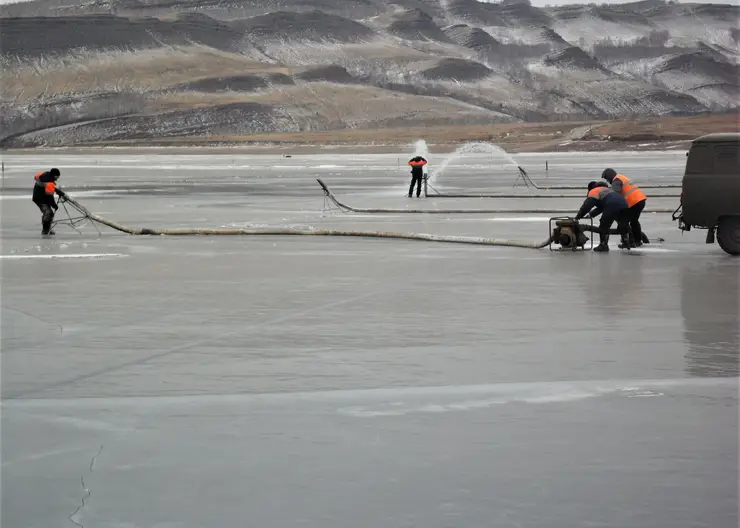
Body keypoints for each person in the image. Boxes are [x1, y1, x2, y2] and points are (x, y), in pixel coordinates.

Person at [574, 181, 631, 252]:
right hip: (624, 203)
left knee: (604, 224)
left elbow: (586, 206)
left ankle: (603, 245)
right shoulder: (608, 190)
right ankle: (626, 242)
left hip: (612, 204)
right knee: (622, 223)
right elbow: (601, 207)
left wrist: (578, 216)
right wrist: (591, 214)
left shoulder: (594, 191)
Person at [601, 168, 647, 247]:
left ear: (609, 176)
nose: (607, 181)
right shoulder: (621, 177)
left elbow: (615, 194)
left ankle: (628, 242)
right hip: (640, 200)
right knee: (634, 221)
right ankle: (637, 241)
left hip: (634, 202)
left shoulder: (616, 180)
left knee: (623, 222)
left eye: (607, 179)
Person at [32, 168, 62, 235]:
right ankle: (45, 231)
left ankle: (47, 228)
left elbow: (37, 179)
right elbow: (49, 196)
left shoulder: (44, 175)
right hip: (40, 199)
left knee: (48, 213)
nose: (57, 178)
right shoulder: (50, 182)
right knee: (48, 213)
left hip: (38, 196)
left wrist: (58, 191)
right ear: (54, 175)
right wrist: (54, 205)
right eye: (57, 176)